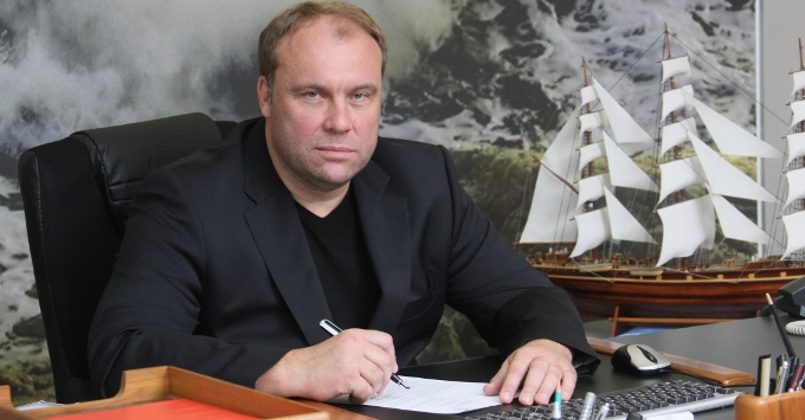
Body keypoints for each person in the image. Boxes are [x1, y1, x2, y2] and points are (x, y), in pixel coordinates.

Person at [88, 0, 598, 407]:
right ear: (266, 96)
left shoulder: (424, 181)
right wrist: (288, 369)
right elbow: (122, 352)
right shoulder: (187, 198)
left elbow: (522, 295)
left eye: (360, 96)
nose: (340, 122)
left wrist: (547, 345)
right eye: (313, 94)